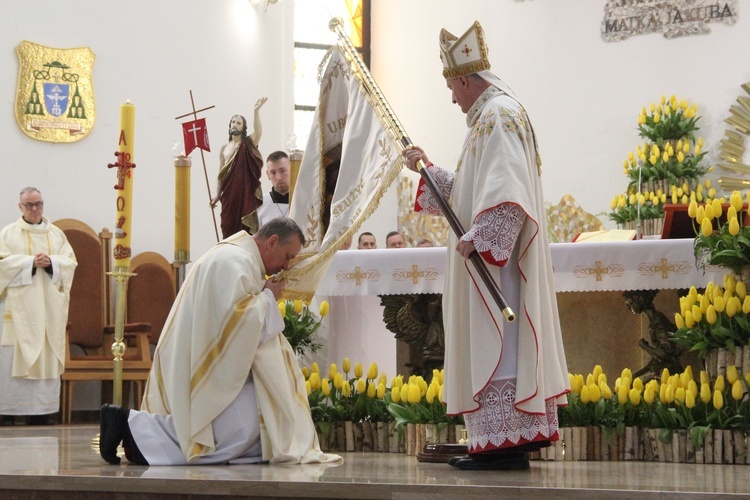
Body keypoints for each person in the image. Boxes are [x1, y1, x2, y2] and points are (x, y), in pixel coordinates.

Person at [402, 21, 568, 471]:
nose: (452, 99)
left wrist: (485, 238)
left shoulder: (497, 115)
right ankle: (503, 443)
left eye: (452, 89)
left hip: (501, 269)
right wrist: (429, 172)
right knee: (501, 341)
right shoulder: (491, 117)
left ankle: (503, 446)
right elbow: (475, 191)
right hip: (496, 261)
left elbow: (507, 189)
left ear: (462, 79)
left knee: (499, 340)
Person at [99, 218, 341, 466]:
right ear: (272, 242)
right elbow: (237, 321)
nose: (286, 266)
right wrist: (269, 296)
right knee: (245, 425)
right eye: (288, 256)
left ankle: (133, 433)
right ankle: (129, 426)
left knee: (251, 423)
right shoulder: (236, 262)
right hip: (203, 361)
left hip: (202, 354)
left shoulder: (236, 256)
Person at [0, 187, 77, 426]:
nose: (35, 209)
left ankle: (42, 412)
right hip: (18, 312)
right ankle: (9, 411)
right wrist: (30, 263)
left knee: (45, 353)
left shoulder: (56, 235)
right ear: (20, 207)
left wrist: (51, 262)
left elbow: (70, 263)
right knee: (14, 354)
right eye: (30, 205)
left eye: (39, 204)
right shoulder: (8, 234)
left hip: (48, 311)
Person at [211, 98, 268, 239]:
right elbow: (221, 175)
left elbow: (258, 132)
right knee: (227, 224)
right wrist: (217, 195)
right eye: (233, 122)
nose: (235, 125)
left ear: (243, 128)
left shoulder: (248, 144)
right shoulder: (224, 149)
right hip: (229, 195)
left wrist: (256, 111)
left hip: (244, 193)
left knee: (243, 231)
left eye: (239, 123)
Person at [257, 151, 291, 227]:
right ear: (268, 175)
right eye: (273, 172)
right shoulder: (259, 204)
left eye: (282, 171)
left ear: (291, 169)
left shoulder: (301, 203)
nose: (278, 177)